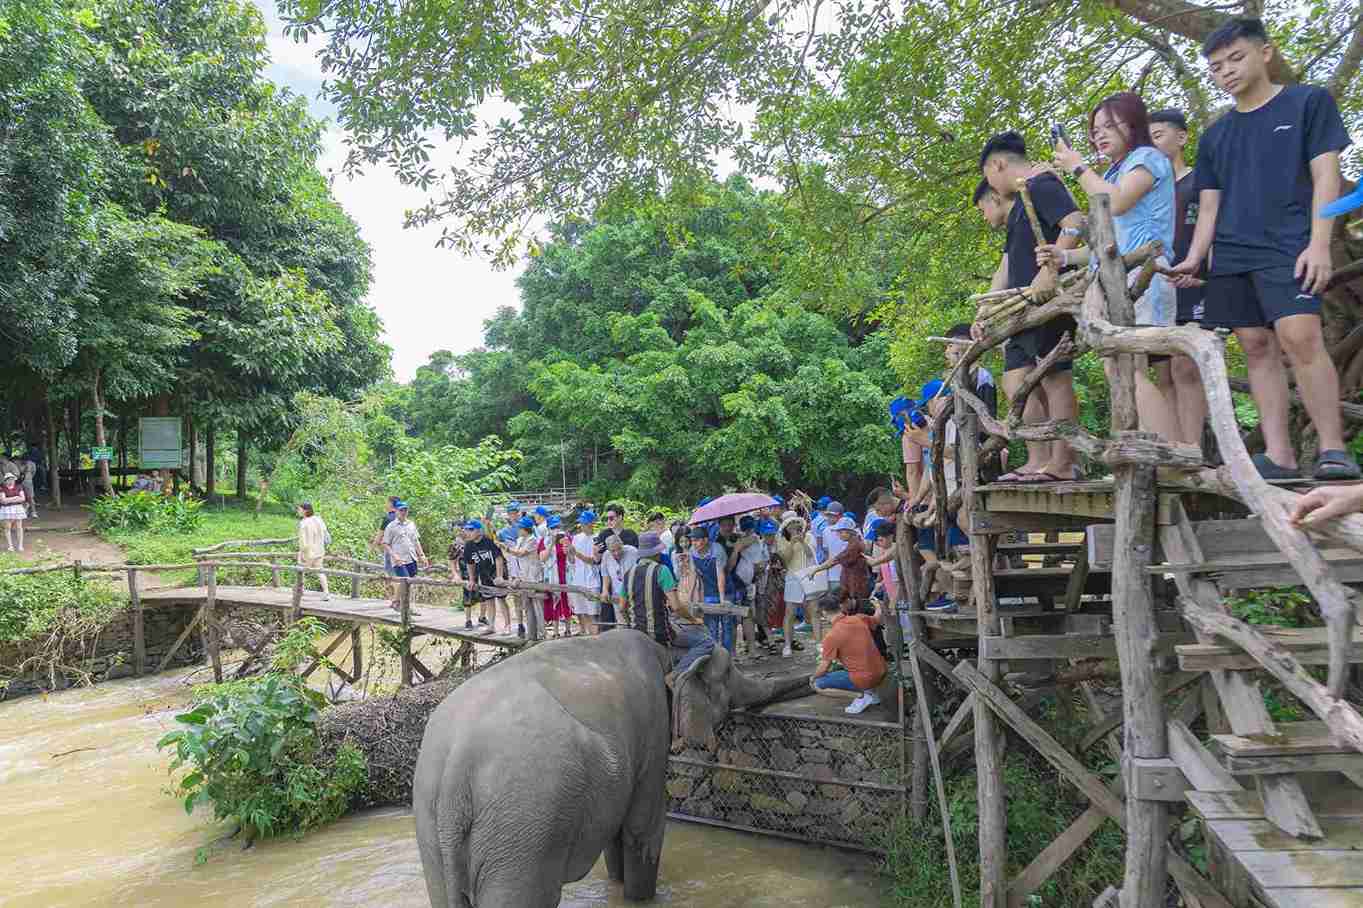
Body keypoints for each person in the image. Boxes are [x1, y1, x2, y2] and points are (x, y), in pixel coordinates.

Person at [1171, 17, 1360, 480]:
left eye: (1236, 58)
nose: (1227, 72)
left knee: (1300, 337)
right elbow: (1209, 207)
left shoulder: (1308, 103)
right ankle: (1280, 455)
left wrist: (1319, 244)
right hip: (1233, 253)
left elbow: (1326, 178)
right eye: (1217, 68)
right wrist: (1196, 257)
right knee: (1255, 345)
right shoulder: (1215, 133)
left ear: (1266, 52)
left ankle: (1334, 450)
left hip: (1290, 243)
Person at [1044, 91, 1180, 444]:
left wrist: (1077, 166)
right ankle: (1139, 448)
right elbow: (1104, 243)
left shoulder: (1147, 157)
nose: (1099, 134)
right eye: (1094, 129)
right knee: (1118, 368)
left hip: (1142, 274)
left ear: (1133, 123)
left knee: (1131, 367)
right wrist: (1064, 258)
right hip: (1114, 277)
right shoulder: (1116, 170)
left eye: (1109, 125)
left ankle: (1173, 451)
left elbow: (1116, 203)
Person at [977, 130, 1085, 483]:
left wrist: (1050, 269)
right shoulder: (1023, 199)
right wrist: (986, 309)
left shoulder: (1040, 184)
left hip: (1048, 302)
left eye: (987, 177)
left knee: (1055, 378)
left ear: (998, 164)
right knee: (1017, 381)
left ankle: (1063, 462)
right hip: (1023, 309)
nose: (990, 184)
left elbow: (1075, 222)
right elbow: (1008, 264)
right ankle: (1038, 459)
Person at [1150, 108, 1210, 449]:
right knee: (1163, 371)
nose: (1153, 144)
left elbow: (1212, 229)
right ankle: (1171, 447)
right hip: (1158, 286)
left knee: (1186, 366)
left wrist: (1205, 275)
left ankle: (1193, 447)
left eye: (1158, 135)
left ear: (1182, 137)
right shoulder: (1146, 189)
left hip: (1194, 282)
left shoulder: (1199, 180)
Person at [810, 596, 887, 715]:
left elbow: (824, 667)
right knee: (854, 664)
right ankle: (871, 693)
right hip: (881, 671)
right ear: (840, 607)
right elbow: (877, 619)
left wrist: (813, 677)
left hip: (864, 677)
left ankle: (861, 696)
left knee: (818, 684)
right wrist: (878, 606)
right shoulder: (859, 618)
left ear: (824, 613)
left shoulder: (831, 636)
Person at [683, 524, 735, 653]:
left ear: (706, 540)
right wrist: (689, 598)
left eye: (697, 540)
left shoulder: (717, 550)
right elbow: (694, 574)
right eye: (693, 540)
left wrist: (722, 600)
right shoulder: (692, 552)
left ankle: (728, 655)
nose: (694, 543)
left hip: (726, 590)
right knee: (711, 627)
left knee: (727, 626)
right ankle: (715, 655)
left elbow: (720, 575)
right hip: (709, 591)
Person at [621, 531, 677, 645]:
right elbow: (677, 606)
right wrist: (693, 619)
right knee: (704, 643)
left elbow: (622, 608)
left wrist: (630, 623)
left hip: (636, 633)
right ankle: (682, 664)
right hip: (660, 634)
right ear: (657, 552)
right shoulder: (662, 570)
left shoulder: (628, 574)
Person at [775, 510, 814, 656]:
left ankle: (819, 645)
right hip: (792, 576)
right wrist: (792, 542)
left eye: (795, 522)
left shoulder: (808, 536)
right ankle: (787, 644)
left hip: (809, 576)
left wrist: (802, 541)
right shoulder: (781, 540)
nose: (793, 525)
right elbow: (785, 560)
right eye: (789, 524)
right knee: (790, 612)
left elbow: (811, 555)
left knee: (813, 611)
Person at [456, 519, 505, 634]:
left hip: (495, 572)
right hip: (484, 575)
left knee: (502, 599)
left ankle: (507, 625)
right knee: (489, 600)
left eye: (471, 530)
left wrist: (500, 576)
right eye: (467, 529)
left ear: (479, 531)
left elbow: (499, 558)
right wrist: (472, 579)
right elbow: (470, 563)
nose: (468, 532)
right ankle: (491, 626)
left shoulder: (488, 541)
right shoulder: (468, 545)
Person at [810, 516, 869, 606]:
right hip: (853, 583)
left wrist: (816, 570)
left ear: (849, 532)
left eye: (841, 532)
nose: (839, 534)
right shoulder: (854, 543)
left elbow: (834, 561)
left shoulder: (854, 546)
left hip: (855, 585)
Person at [381, 501, 429, 612]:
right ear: (396, 511)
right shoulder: (391, 526)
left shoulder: (411, 524)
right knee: (406, 582)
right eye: (401, 510)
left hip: (412, 558)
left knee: (408, 583)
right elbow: (385, 543)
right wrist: (394, 556)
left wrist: (422, 555)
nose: (403, 512)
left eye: (405, 510)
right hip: (399, 560)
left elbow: (416, 540)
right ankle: (407, 609)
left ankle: (396, 602)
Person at [507, 515, 542, 638]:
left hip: (533, 576)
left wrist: (506, 548)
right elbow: (516, 556)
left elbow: (521, 554)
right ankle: (531, 633)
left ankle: (541, 633)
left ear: (525, 529)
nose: (518, 529)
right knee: (527, 605)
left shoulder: (533, 540)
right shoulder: (519, 540)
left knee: (537, 605)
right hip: (523, 575)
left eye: (520, 528)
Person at [538, 514, 573, 636]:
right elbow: (542, 558)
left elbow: (573, 559)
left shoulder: (567, 538)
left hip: (565, 574)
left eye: (557, 527)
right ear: (548, 529)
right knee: (554, 601)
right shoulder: (545, 541)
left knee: (566, 601)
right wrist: (552, 544)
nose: (556, 530)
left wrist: (568, 550)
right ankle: (556, 631)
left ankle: (568, 629)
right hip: (552, 575)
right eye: (553, 528)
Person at [569, 511, 603, 634]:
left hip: (592, 580)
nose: (582, 525)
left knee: (593, 613)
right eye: (581, 523)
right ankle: (586, 636)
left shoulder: (598, 538)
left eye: (584, 523)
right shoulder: (576, 538)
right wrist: (569, 553)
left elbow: (594, 561)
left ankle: (595, 637)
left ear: (591, 524)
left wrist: (576, 553)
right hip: (578, 580)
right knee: (582, 612)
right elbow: (572, 561)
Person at [601, 532, 640, 631]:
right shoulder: (606, 556)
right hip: (617, 595)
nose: (617, 553)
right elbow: (605, 574)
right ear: (608, 550)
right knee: (622, 626)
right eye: (613, 551)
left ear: (622, 545)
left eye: (619, 549)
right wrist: (605, 590)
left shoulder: (633, 552)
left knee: (636, 624)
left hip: (634, 595)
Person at [296, 501, 331, 601]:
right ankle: (326, 593)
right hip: (320, 550)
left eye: (299, 509)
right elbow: (326, 535)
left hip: (309, 551)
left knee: (301, 570)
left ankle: (300, 591)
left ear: (305, 510)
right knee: (320, 571)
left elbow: (303, 541)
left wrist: (301, 552)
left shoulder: (303, 523)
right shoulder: (318, 519)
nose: (298, 511)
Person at [0, 471, 27, 552]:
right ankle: (10, 546)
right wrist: (15, 497)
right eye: (8, 479)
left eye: (12, 479)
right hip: (6, 509)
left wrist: (9, 499)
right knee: (7, 527)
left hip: (17, 508)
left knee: (19, 527)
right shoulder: (2, 488)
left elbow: (23, 498)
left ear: (14, 480)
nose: (11, 481)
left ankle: (20, 545)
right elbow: (3, 501)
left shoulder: (19, 487)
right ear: (5, 481)